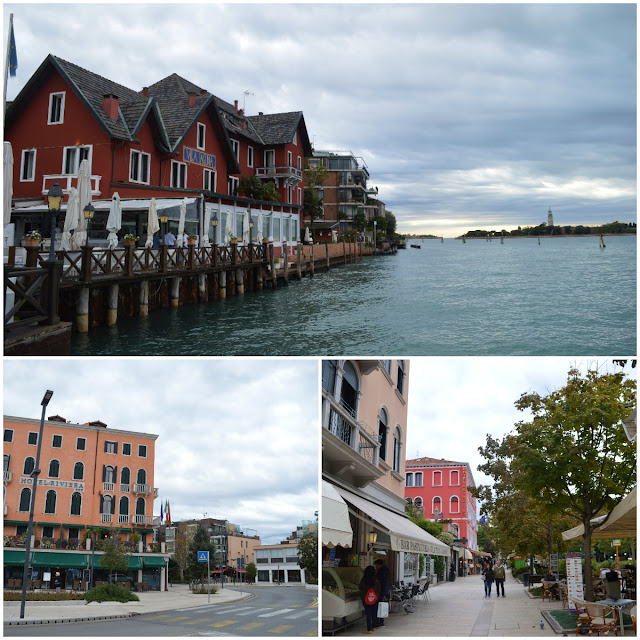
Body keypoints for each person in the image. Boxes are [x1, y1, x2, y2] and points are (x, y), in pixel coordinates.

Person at [359, 565, 380, 634]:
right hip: (375, 598)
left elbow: (360, 587)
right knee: (374, 612)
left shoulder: (364, 579)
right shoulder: (376, 579)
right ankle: (374, 626)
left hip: (366, 598)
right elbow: (379, 588)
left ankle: (369, 629)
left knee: (368, 613)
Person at [374, 559, 390, 627]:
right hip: (383, 592)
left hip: (380, 592)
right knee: (381, 606)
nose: (376, 566)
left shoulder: (381, 572)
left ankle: (379, 621)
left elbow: (382, 583)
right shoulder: (385, 571)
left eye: (376, 565)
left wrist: (383, 593)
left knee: (378, 607)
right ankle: (381, 621)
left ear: (379, 565)